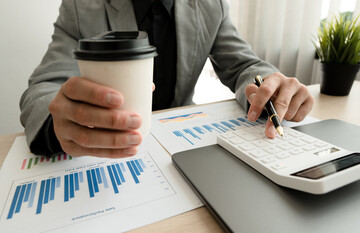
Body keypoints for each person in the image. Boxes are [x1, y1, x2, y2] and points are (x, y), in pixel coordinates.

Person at [20, 0, 314, 158]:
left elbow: (243, 65)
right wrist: (59, 124)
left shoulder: (211, 5)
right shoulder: (81, 6)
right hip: (108, 149)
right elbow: (44, 88)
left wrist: (269, 87)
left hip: (181, 145)